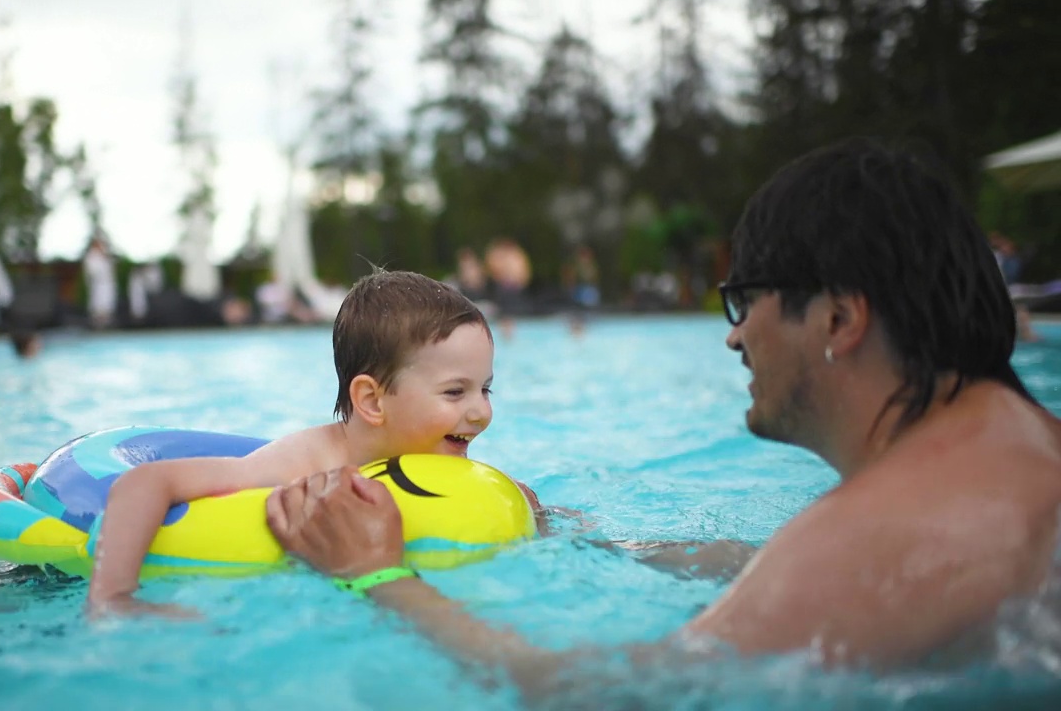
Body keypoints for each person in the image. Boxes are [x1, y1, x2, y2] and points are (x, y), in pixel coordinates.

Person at [264, 138, 1061, 697]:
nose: (733, 333)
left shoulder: (875, 531)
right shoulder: (1014, 457)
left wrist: (380, 576)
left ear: (839, 321)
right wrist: (585, 540)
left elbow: (610, 696)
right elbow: (774, 571)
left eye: (746, 299)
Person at [85, 269, 540, 618]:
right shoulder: (303, 463)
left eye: (486, 389)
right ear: (372, 401)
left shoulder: (437, 458)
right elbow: (147, 481)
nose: (482, 412)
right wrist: (114, 596)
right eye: (455, 392)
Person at [485, 238, 532, 341]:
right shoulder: (509, 257)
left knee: (510, 314)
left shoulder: (516, 257)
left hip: (513, 291)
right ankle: (507, 333)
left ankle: (509, 333)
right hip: (507, 290)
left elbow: (523, 277)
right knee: (506, 314)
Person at [83, 237, 117, 329]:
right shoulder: (91, 256)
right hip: (98, 286)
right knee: (98, 308)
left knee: (107, 308)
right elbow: (91, 273)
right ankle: (97, 326)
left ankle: (106, 326)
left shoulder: (105, 255)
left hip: (107, 285)